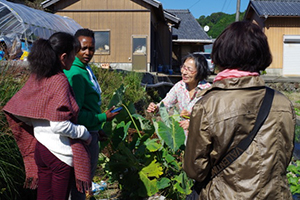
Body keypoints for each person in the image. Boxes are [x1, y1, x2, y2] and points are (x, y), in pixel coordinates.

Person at [183, 21, 295, 200]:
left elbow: (195, 170)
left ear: (221, 54)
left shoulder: (208, 105)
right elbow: (285, 156)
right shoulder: (283, 102)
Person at [3, 32, 92, 200]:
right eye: (74, 55)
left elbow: (24, 113)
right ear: (64, 57)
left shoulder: (38, 76)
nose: (75, 60)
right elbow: (59, 125)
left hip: (41, 150)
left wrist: (40, 126)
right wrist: (84, 133)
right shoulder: (59, 80)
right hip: (59, 154)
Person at [64, 28, 119, 200]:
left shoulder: (85, 69)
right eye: (83, 48)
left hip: (91, 131)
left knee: (81, 184)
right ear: (74, 48)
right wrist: (103, 118)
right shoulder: (76, 73)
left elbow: (88, 105)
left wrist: (97, 128)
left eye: (92, 48)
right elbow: (76, 114)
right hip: (82, 137)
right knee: (80, 185)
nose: (88, 52)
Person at [147, 53, 211, 132]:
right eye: (183, 67)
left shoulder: (208, 91)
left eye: (189, 69)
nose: (184, 72)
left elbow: (213, 118)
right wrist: (156, 108)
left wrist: (192, 120)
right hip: (183, 139)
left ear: (200, 71)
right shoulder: (179, 86)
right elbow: (165, 105)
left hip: (201, 139)